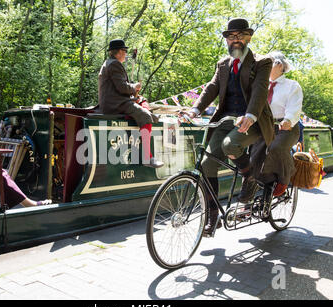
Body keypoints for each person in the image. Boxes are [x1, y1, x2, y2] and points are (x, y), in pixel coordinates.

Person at [181, 18, 275, 236]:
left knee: (230, 144)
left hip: (253, 120)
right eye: (231, 36)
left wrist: (250, 115)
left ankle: (249, 177)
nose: (235, 40)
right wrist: (194, 110)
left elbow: (261, 91)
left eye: (240, 35)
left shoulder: (262, 62)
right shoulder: (223, 63)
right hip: (224, 118)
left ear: (249, 37)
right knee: (206, 165)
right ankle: (213, 218)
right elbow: (212, 88)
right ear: (227, 39)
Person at [98, 39, 164, 168]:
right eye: (125, 51)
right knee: (144, 116)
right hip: (116, 103)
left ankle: (151, 117)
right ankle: (147, 158)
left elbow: (118, 87)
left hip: (113, 101)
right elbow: (122, 87)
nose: (126, 54)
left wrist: (132, 93)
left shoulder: (109, 63)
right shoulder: (114, 64)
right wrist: (135, 86)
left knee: (142, 100)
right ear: (119, 52)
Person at [251, 51, 303, 196]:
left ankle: (285, 178)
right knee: (254, 160)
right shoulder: (261, 85)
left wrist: (288, 120)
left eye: (269, 62)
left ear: (279, 65)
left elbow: (294, 106)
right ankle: (264, 189)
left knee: (276, 147)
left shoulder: (292, 86)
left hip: (287, 128)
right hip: (265, 126)